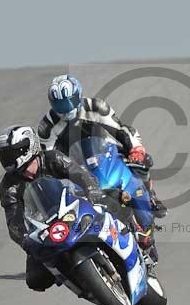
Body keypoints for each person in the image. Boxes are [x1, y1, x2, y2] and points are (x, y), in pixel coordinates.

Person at [38, 74, 167, 221]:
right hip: (75, 166)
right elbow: (48, 159)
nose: (66, 109)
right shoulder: (47, 127)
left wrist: (135, 150)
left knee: (143, 160)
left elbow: (121, 130)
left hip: (106, 152)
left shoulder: (96, 107)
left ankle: (151, 196)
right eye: (60, 105)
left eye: (69, 102)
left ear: (78, 95)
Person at [0, 124, 108, 291]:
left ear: (28, 147)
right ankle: (78, 280)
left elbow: (80, 174)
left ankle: (139, 235)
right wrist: (25, 240)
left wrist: (92, 190)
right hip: (44, 230)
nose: (8, 159)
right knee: (35, 280)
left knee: (116, 197)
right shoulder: (9, 187)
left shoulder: (52, 158)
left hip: (75, 208)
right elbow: (14, 220)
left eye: (12, 153)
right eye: (4, 155)